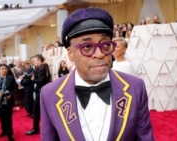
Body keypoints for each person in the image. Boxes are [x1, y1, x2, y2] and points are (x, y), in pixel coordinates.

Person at [40, 7, 155, 141]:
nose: (100, 54)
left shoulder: (135, 87)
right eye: (87, 47)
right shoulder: (50, 94)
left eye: (105, 45)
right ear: (70, 53)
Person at [25, 54, 51, 135]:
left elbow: (42, 80)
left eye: (35, 60)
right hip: (40, 91)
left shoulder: (43, 68)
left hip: (41, 92)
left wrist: (33, 79)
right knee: (38, 111)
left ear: (39, 60)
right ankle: (36, 128)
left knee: (36, 111)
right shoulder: (39, 67)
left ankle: (35, 129)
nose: (33, 62)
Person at [0, 64, 17, 141]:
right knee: (1, 118)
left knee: (8, 118)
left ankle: (9, 134)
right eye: (2, 69)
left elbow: (15, 88)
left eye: (5, 69)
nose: (4, 70)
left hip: (8, 101)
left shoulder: (10, 78)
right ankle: (4, 131)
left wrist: (11, 95)